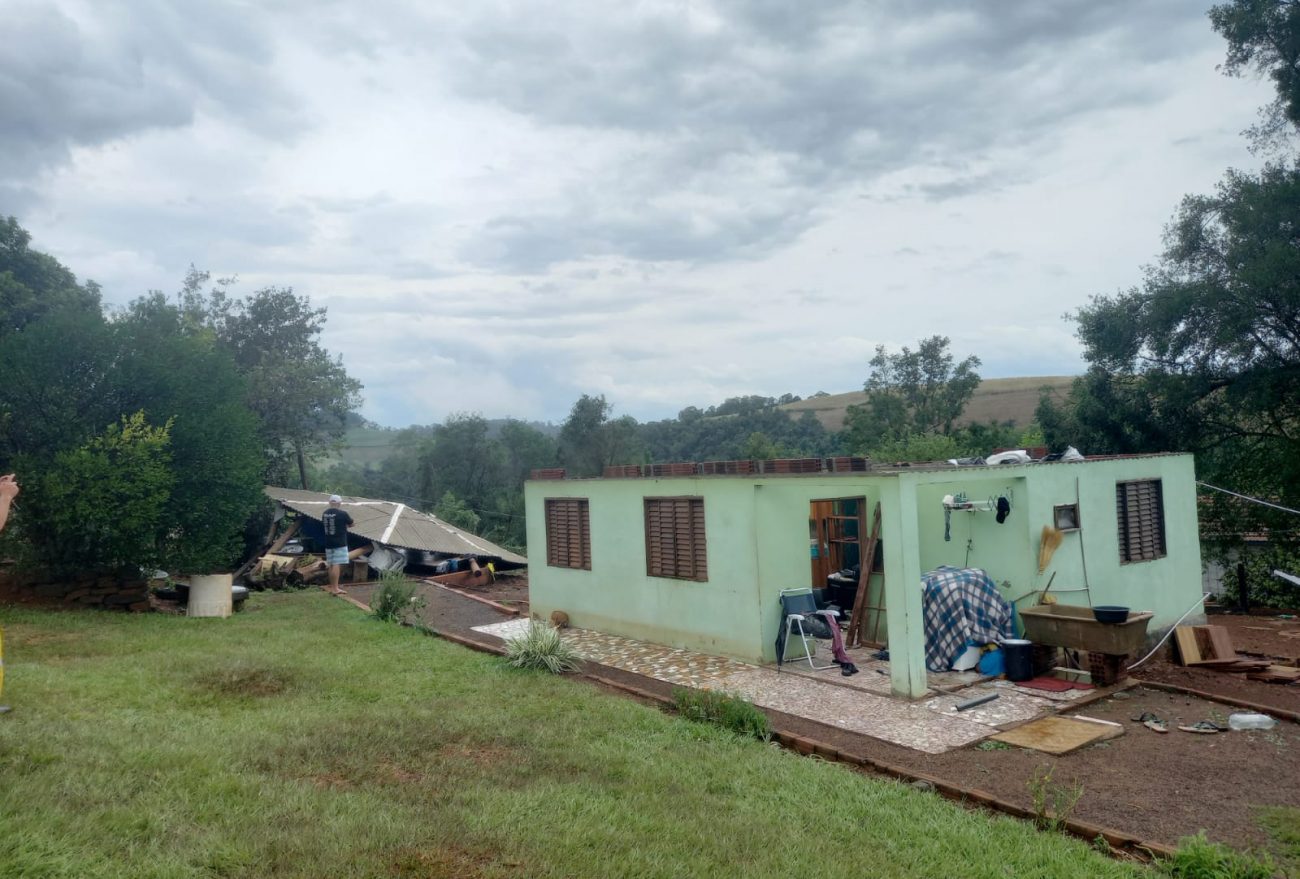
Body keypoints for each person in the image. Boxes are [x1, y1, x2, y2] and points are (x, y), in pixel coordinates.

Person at [321, 494, 354, 595]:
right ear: (339, 503)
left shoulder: (325, 513)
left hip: (328, 543)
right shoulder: (343, 514)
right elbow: (351, 523)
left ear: (330, 502)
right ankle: (335, 589)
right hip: (339, 543)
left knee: (331, 565)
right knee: (336, 564)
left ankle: (333, 587)